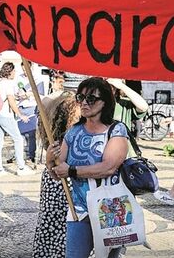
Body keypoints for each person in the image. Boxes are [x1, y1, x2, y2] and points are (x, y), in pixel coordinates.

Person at [52, 78, 130, 258]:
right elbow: (58, 173)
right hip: (79, 210)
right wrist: (50, 161)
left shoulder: (116, 130)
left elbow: (108, 167)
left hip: (110, 209)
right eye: (81, 97)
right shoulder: (73, 132)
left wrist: (72, 171)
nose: (84, 103)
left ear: (105, 102)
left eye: (91, 99)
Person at [32, 92, 80, 258]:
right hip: (58, 186)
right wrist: (49, 162)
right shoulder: (59, 142)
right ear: (65, 119)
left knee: (70, 226)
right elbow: (45, 101)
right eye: (76, 119)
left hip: (70, 187)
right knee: (54, 223)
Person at [0, 62, 36, 177]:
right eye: (14, 71)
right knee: (18, 139)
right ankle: (21, 168)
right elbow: (11, 102)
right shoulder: (7, 83)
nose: (15, 73)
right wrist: (20, 115)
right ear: (9, 72)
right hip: (5, 115)